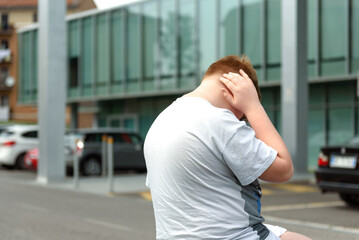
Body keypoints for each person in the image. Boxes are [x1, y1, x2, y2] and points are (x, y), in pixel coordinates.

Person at [144, 55, 311, 240]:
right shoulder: (218, 121)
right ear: (234, 90)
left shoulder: (161, 122)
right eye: (242, 116)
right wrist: (253, 106)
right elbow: (284, 169)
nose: (241, 119)